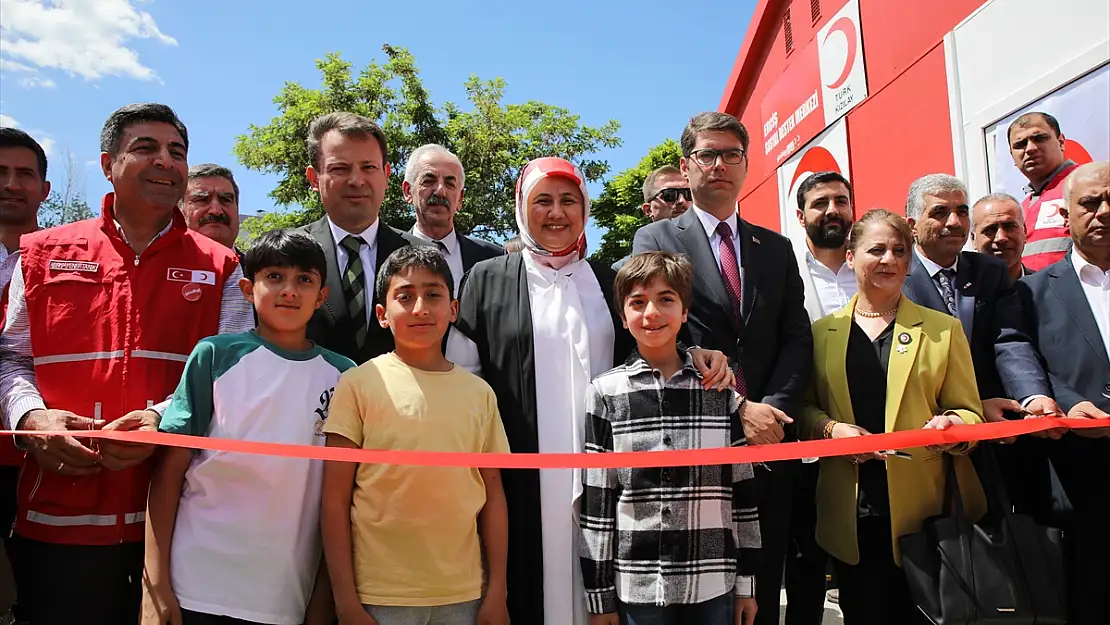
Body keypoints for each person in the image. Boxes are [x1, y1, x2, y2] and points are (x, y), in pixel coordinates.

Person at [446, 156, 734, 625]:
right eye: (542, 200)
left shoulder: (608, 280)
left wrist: (697, 352)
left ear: (584, 209)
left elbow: (651, 343)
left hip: (611, 478)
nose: (556, 212)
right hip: (521, 479)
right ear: (521, 207)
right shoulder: (487, 279)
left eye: (568, 200)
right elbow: (463, 383)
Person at [0, 103, 253, 625]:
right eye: (146, 148)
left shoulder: (223, 266)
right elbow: (10, 358)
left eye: (177, 152)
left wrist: (162, 418)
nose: (165, 161)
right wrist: (30, 420)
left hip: (176, 522)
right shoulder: (42, 252)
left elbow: (232, 371)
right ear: (107, 162)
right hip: (57, 517)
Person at [632, 112, 813, 625]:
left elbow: (796, 337)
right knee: (701, 599)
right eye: (707, 155)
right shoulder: (656, 240)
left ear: (746, 164)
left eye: (730, 154)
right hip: (697, 446)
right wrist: (736, 409)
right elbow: (663, 337)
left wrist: (771, 412)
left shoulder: (775, 249)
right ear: (687, 166)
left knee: (763, 593)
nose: (719, 165)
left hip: (771, 446)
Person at [143, 229, 353, 625]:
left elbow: (341, 499)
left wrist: (323, 599)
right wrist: (154, 586)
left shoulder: (345, 376)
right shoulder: (214, 356)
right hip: (196, 585)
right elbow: (169, 473)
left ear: (321, 295)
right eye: (274, 277)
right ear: (246, 288)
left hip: (285, 593)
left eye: (304, 280)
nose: (289, 290)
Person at [800, 209, 986, 625]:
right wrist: (831, 429)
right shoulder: (821, 334)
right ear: (850, 257)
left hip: (927, 516)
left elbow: (971, 414)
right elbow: (804, 410)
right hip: (853, 515)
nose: (889, 259)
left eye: (899, 251)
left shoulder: (944, 329)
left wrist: (953, 426)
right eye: (876, 249)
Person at [321, 245, 511, 625]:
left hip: (464, 595)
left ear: (453, 310)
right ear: (382, 315)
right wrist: (345, 601)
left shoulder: (479, 394)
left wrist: (497, 593)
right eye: (405, 297)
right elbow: (333, 501)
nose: (421, 307)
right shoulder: (358, 384)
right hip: (378, 596)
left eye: (434, 294)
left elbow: (492, 498)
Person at [579, 251, 760, 625]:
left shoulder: (718, 390)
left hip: (713, 582)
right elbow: (598, 505)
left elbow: (742, 494)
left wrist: (747, 585)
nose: (652, 313)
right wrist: (600, 598)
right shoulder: (605, 393)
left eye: (666, 299)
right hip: (638, 587)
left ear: (684, 311)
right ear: (623, 317)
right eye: (638, 302)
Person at [901, 174, 1059, 522]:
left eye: (961, 211)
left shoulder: (988, 270)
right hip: (928, 438)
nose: (954, 222)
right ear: (912, 225)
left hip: (997, 437)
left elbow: (1010, 340)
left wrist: (1033, 397)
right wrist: (969, 410)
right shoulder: (896, 276)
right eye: (940, 212)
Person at [1017, 161, 1110, 625]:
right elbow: (1024, 359)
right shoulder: (1031, 293)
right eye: (1089, 204)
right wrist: (1069, 405)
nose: (1103, 211)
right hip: (1078, 476)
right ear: (1066, 216)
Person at [298, 112, 426, 365]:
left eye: (368, 167)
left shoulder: (422, 257)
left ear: (386, 175)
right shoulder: (288, 256)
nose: (356, 181)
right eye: (340, 168)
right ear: (314, 179)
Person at [789, 170, 857, 623]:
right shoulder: (784, 271)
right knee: (805, 571)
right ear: (801, 216)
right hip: (805, 444)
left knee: (861, 573)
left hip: (868, 442)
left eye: (841, 201)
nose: (832, 210)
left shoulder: (876, 265)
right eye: (820, 203)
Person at [0, 126, 50, 625]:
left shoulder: (63, 261)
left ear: (44, 189)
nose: (11, 183)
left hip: (41, 459)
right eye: (0, 173)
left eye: (24, 174)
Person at [403, 143, 504, 295]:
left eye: (450, 184)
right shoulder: (388, 253)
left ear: (460, 199)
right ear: (408, 191)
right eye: (429, 181)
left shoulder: (493, 258)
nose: (441, 191)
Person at [1007, 112, 1078, 271]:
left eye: (1039, 138)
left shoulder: (1086, 184)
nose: (1030, 148)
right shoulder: (1021, 208)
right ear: (1012, 156)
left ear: (1061, 142)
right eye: (1020, 144)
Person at [612, 165, 692, 271]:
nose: (681, 201)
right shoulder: (620, 271)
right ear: (648, 210)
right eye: (669, 195)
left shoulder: (716, 243)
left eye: (688, 194)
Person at [181, 163, 241, 253]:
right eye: (202, 200)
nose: (216, 211)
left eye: (225, 199)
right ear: (179, 210)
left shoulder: (255, 267)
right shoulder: (157, 265)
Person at [972, 192, 1031, 280]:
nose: (1001, 238)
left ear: (1024, 231)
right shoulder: (958, 291)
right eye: (989, 230)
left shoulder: (1048, 288)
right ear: (973, 239)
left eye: (1009, 226)